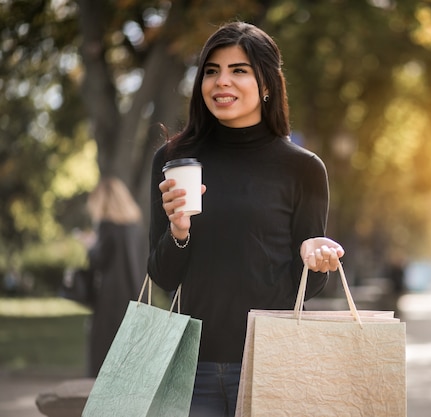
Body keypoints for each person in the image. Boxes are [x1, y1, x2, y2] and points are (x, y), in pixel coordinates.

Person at [147, 21, 345, 417]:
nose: (222, 82)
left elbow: (305, 285)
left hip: (271, 364)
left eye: (239, 70)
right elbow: (163, 277)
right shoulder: (174, 161)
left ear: (267, 83)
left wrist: (315, 257)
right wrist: (179, 231)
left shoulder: (302, 168)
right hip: (190, 369)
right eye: (211, 70)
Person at [85, 176, 145, 377]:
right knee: (129, 362)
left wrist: (90, 246)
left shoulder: (106, 226)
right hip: (136, 296)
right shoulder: (135, 227)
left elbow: (99, 261)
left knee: (103, 361)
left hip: (110, 301)